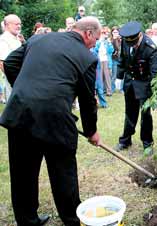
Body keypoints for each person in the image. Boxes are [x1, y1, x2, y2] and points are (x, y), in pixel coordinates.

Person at [0, 16, 102, 225]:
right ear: (88, 33)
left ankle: (27, 220)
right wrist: (91, 131)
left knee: (22, 173)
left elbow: (10, 63)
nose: (95, 44)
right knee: (63, 172)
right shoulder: (87, 57)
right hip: (56, 119)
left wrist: (25, 91)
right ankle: (72, 220)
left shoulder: (39, 40)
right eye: (96, 39)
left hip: (21, 111)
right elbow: (87, 100)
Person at [115, 21, 157, 152]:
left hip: (144, 84)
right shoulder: (125, 41)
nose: (131, 44)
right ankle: (125, 140)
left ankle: (147, 143)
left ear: (140, 35)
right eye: (128, 42)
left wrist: (154, 89)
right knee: (129, 112)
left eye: (133, 42)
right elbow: (122, 59)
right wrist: (119, 77)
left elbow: (154, 72)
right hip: (129, 82)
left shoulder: (150, 47)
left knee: (145, 115)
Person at [0, 14, 22, 104]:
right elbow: (2, 63)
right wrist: (15, 82)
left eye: (20, 24)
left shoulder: (16, 39)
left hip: (20, 80)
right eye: (16, 24)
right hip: (13, 81)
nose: (19, 26)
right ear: (7, 25)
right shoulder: (3, 40)